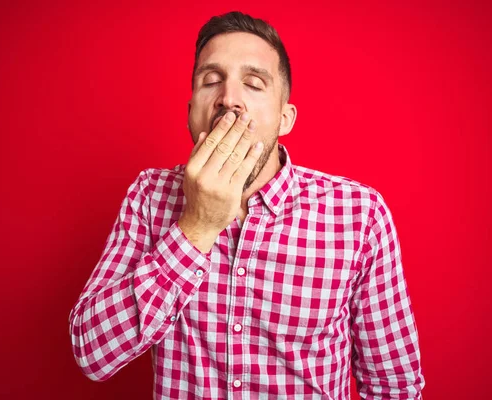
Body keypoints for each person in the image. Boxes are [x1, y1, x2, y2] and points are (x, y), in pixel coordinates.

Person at [69, 11, 425, 399]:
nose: (228, 99)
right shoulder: (150, 196)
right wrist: (197, 227)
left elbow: (395, 386)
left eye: (253, 84)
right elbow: (92, 353)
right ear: (191, 111)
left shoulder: (359, 215)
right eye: (211, 81)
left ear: (284, 117)